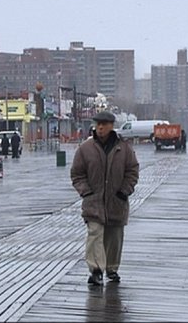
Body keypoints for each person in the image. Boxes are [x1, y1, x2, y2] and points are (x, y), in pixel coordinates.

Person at [70, 110, 139, 286]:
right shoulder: (85, 149)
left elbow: (132, 171)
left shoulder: (123, 148)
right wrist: (86, 192)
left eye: (104, 124)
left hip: (117, 201)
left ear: (111, 126)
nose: (100, 127)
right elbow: (77, 174)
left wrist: (124, 191)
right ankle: (96, 270)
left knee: (114, 236)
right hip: (93, 202)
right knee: (95, 234)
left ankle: (112, 268)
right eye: (97, 124)